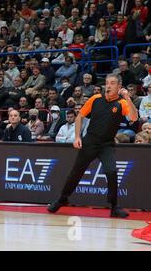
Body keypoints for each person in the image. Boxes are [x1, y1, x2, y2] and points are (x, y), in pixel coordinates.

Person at [48, 74, 138, 218]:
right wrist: (77, 137)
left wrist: (127, 98)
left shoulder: (122, 103)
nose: (108, 86)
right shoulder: (95, 99)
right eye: (107, 83)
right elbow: (80, 117)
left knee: (112, 172)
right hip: (90, 141)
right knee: (76, 173)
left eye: (113, 83)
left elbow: (134, 117)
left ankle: (114, 207)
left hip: (107, 144)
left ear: (119, 87)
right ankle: (62, 199)